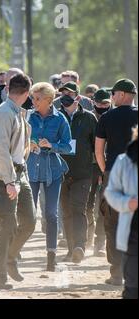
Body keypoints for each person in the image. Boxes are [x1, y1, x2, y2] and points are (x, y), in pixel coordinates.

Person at [0, 74, 36, 289]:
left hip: (19, 174)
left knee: (29, 222)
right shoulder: (4, 112)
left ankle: (10, 257)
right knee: (8, 223)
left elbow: (18, 149)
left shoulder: (17, 112)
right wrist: (9, 181)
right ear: (27, 92)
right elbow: (1, 150)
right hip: (3, 176)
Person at [95, 78, 138, 286]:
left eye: (113, 94)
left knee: (112, 223)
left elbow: (98, 150)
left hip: (113, 173)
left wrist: (106, 172)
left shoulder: (107, 117)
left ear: (121, 95)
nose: (111, 97)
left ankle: (116, 273)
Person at [27, 83, 72, 271]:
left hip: (53, 171)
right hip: (29, 170)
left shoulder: (60, 119)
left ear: (49, 100)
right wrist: (27, 145)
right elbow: (16, 140)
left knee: (51, 215)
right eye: (33, 98)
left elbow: (68, 146)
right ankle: (13, 251)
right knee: (27, 214)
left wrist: (51, 145)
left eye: (37, 98)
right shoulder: (27, 117)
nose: (34, 102)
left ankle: (51, 255)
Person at [59, 89, 98, 264]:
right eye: (63, 93)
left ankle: (79, 246)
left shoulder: (89, 118)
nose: (66, 97)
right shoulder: (55, 116)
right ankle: (70, 249)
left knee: (78, 208)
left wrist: (98, 171)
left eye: (70, 93)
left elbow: (96, 147)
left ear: (78, 97)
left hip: (83, 173)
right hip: (60, 173)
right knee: (66, 212)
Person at [104, 126, 138, 299]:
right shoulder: (124, 161)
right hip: (133, 233)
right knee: (132, 286)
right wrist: (127, 203)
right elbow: (111, 192)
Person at [86, 89, 112, 257]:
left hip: (106, 166)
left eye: (106, 103)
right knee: (87, 205)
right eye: (99, 103)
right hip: (88, 166)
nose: (102, 106)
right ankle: (88, 236)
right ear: (93, 101)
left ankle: (100, 243)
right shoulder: (87, 117)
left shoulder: (113, 117)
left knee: (103, 205)